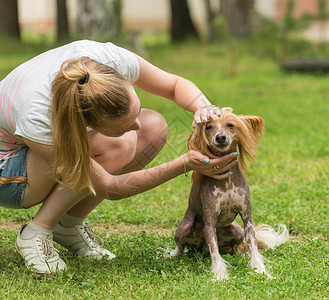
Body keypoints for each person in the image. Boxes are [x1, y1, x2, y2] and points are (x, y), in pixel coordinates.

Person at [0, 40, 238, 273]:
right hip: (7, 169)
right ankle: (37, 231)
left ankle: (68, 225)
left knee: (153, 126)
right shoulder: (39, 116)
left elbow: (174, 85)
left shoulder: (107, 62)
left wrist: (207, 111)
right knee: (119, 145)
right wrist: (184, 163)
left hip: (35, 141)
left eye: (134, 112)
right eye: (124, 125)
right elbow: (110, 187)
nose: (136, 125)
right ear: (85, 120)